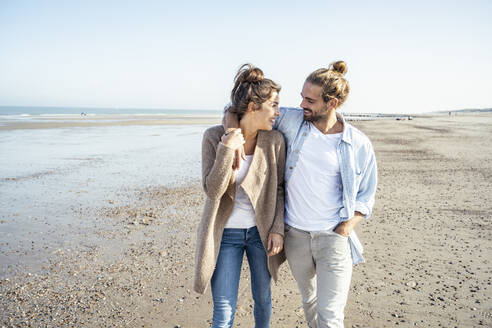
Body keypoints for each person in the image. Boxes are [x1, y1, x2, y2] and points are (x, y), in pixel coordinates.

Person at [226, 61, 377, 328]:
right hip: (296, 237)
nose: (302, 104)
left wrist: (345, 228)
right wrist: (232, 133)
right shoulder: (292, 120)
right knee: (310, 303)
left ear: (332, 102)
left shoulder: (357, 143)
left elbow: (366, 195)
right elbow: (239, 109)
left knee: (331, 316)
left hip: (334, 238)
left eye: (309, 100)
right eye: (302, 97)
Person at [193, 64, 286, 328]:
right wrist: (227, 145)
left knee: (263, 299)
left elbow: (279, 189)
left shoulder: (275, 141)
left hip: (261, 233)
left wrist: (277, 228)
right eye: (274, 105)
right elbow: (212, 190)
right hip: (225, 235)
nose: (278, 112)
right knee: (223, 308)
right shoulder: (213, 137)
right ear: (253, 106)